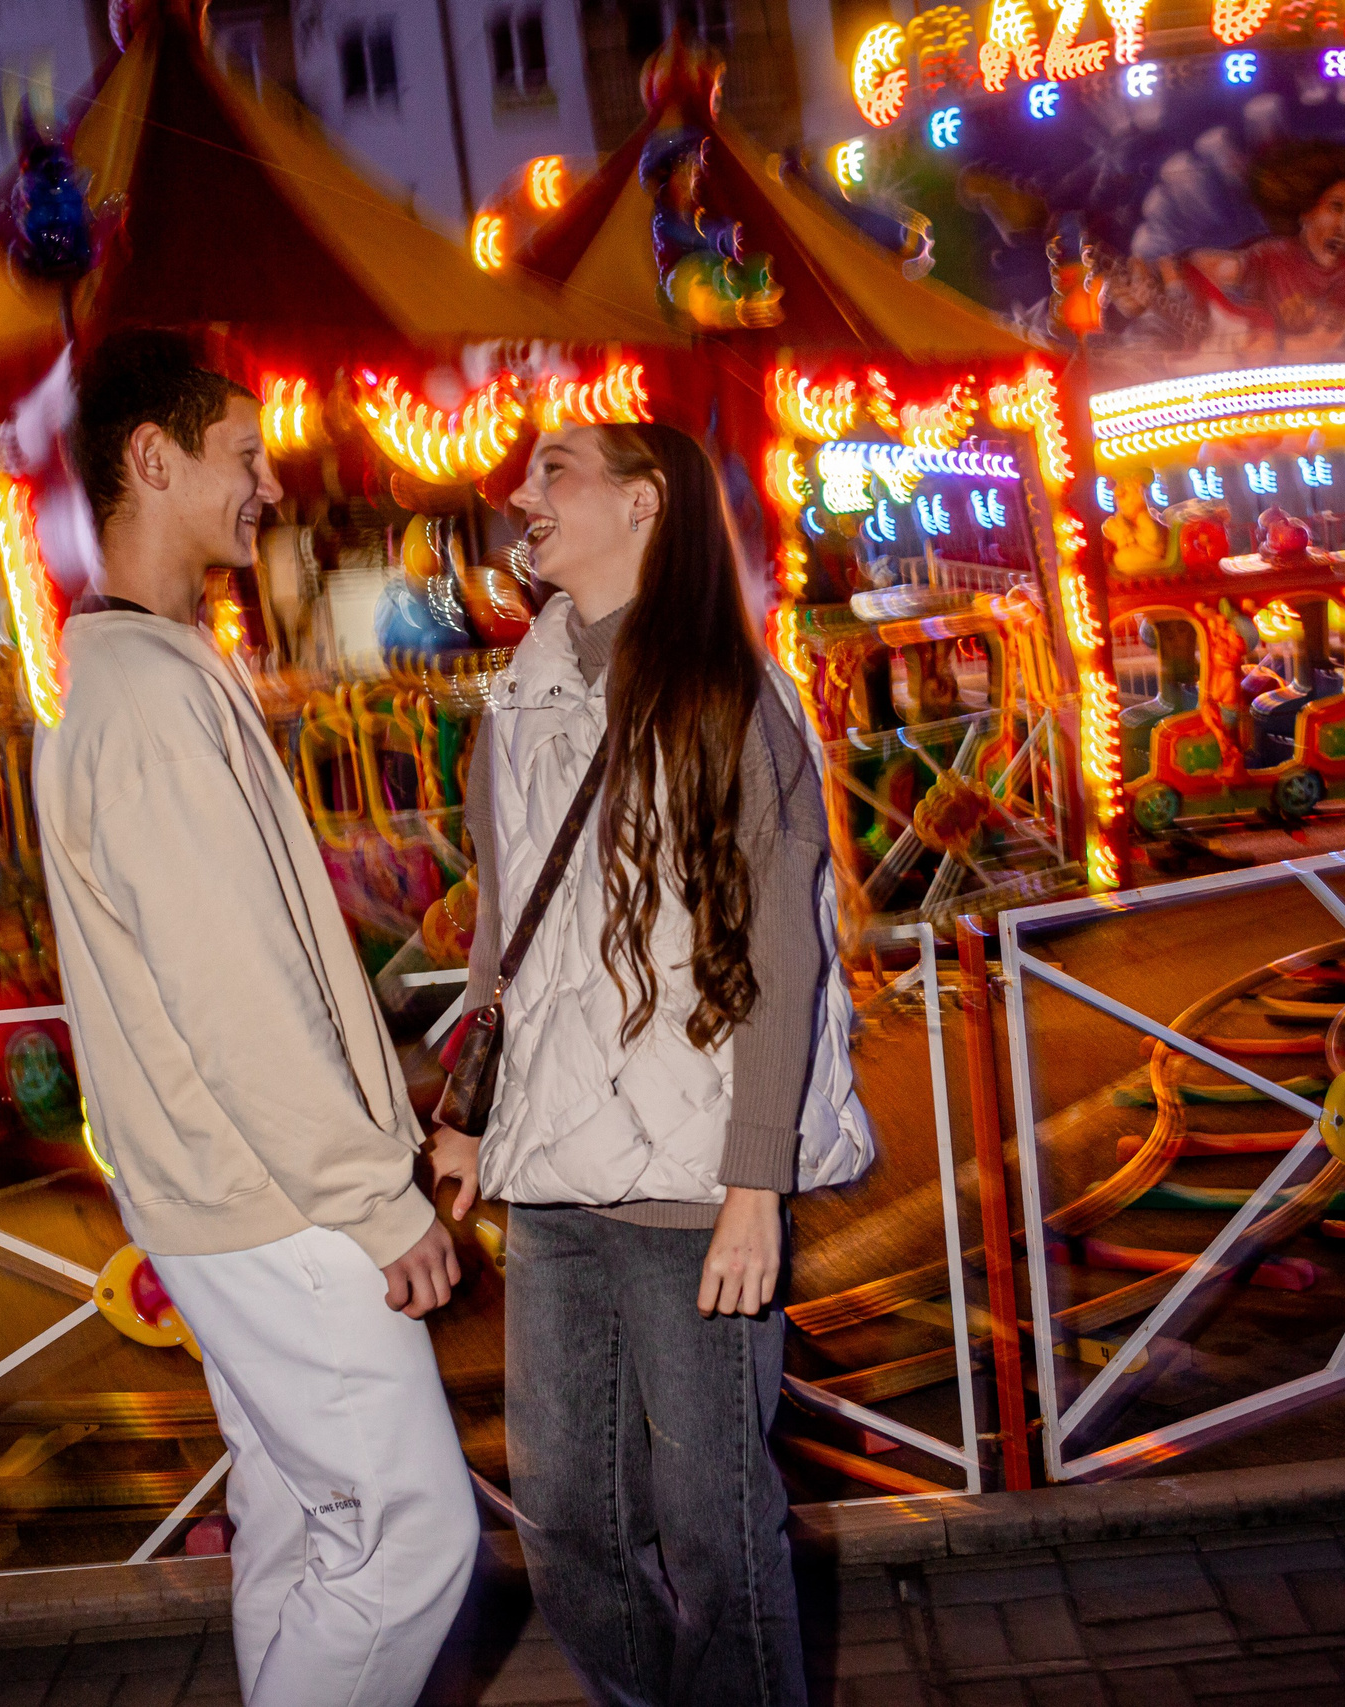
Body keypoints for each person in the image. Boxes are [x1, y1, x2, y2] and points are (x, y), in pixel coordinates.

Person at [33, 327, 478, 1706]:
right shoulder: (152, 700)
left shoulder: (131, 674)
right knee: (414, 1533)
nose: (267, 484)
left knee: (300, 1514)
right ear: (151, 460)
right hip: (272, 1198)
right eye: (241, 453)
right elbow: (237, 992)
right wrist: (373, 1191)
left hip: (219, 1188)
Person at [425, 422, 873, 1706]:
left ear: (643, 502)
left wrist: (754, 1188)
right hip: (557, 1177)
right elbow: (505, 941)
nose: (521, 494)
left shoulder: (733, 691)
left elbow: (785, 953)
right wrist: (473, 1111)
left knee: (712, 1530)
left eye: (552, 471)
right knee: (563, 1517)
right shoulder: (516, 699)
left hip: (695, 1186)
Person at [1104, 139, 1345, 358]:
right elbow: (1215, 266)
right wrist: (1153, 278)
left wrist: (1271, 345)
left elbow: (1321, 342)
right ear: (1306, 210)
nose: (1344, 226)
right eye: (1336, 208)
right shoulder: (1271, 255)